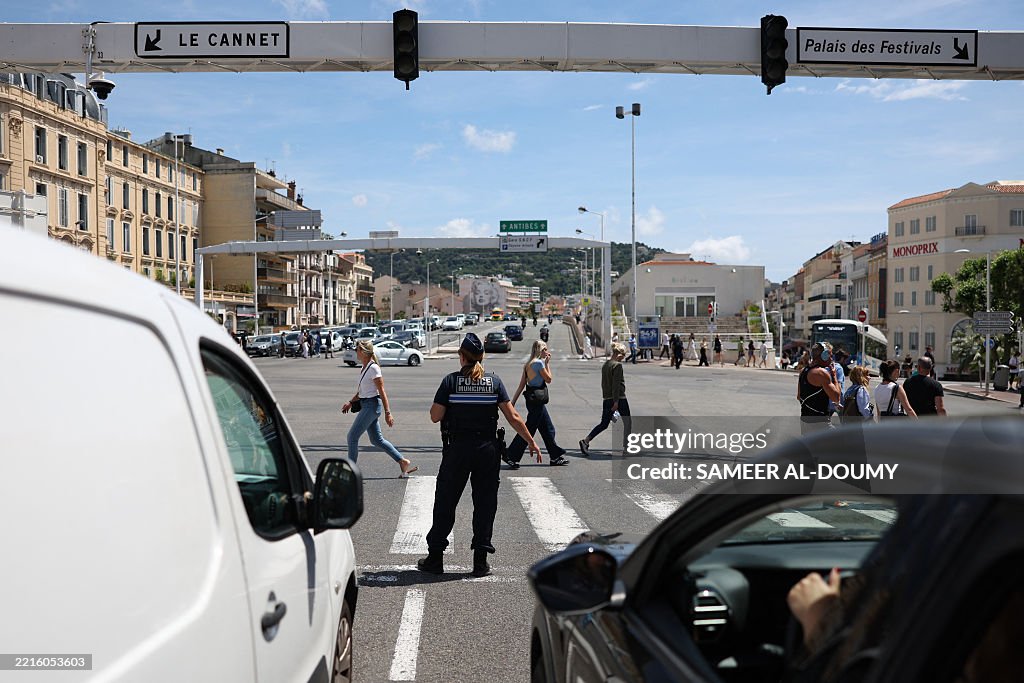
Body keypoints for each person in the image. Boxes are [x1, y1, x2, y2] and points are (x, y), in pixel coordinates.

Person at [418, 333, 540, 578]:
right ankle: (480, 562)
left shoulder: (450, 382)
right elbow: (513, 416)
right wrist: (531, 441)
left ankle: (435, 559)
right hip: (487, 450)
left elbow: (435, 416)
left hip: (458, 449)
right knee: (485, 504)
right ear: (482, 357)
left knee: (445, 502)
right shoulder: (494, 382)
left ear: (461, 357)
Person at [341, 339, 417, 477]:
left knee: (352, 436)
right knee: (376, 440)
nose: (355, 351)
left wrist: (388, 412)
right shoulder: (364, 367)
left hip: (371, 406)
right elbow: (362, 391)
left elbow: (382, 391)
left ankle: (350, 472)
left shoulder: (373, 368)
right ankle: (402, 461)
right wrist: (351, 403)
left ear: (363, 352)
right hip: (367, 405)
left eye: (357, 349)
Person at [506, 340, 570, 468]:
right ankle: (511, 456)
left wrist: (512, 402)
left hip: (532, 400)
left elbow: (521, 386)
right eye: (544, 349)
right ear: (539, 350)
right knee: (529, 429)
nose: (546, 351)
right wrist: (547, 364)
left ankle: (555, 456)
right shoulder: (539, 363)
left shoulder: (528, 364)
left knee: (548, 428)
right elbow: (549, 379)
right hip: (537, 401)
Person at [579, 343, 631, 456]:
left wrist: (608, 398)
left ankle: (586, 441)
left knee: (604, 424)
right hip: (619, 398)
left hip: (607, 398)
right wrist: (616, 402)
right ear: (619, 354)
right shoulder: (617, 366)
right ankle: (626, 448)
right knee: (627, 422)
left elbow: (604, 384)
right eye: (623, 356)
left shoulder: (606, 364)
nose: (623, 358)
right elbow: (616, 385)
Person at [797, 342, 842, 433]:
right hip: (820, 423)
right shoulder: (821, 373)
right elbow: (836, 397)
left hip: (805, 421)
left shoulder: (803, 371)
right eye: (830, 355)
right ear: (823, 356)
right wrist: (834, 376)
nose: (831, 359)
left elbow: (799, 396)